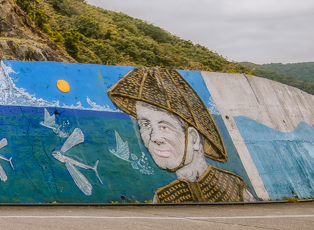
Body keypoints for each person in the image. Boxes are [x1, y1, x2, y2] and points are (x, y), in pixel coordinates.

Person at [107, 67, 254, 203]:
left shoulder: (236, 188)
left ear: (194, 138)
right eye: (145, 125)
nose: (154, 138)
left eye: (165, 127)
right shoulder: (162, 197)